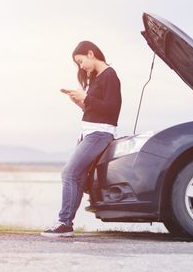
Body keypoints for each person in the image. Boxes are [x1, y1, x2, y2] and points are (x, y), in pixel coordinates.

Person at [41, 40, 122, 237]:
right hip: (90, 132)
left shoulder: (110, 76)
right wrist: (80, 102)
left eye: (80, 61)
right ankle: (66, 223)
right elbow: (94, 110)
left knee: (69, 173)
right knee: (76, 176)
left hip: (100, 133)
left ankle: (64, 222)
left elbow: (112, 110)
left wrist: (86, 97)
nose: (81, 66)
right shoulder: (96, 78)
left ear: (91, 53)